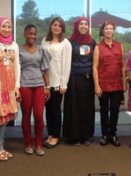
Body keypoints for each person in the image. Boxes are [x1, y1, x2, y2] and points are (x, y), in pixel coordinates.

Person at [0, 17, 21, 161]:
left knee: (6, 116)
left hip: (10, 84)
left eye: (9, 27)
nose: (7, 29)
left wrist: (17, 86)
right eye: (4, 27)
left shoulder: (14, 44)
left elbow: (17, 66)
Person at [63, 17, 96, 146]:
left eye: (85, 24)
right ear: (76, 26)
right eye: (81, 24)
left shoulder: (92, 43)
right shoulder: (70, 42)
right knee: (73, 107)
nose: (83, 26)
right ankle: (74, 136)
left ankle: (86, 135)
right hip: (73, 78)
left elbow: (95, 62)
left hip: (88, 79)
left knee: (87, 107)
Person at [92, 21, 127, 146]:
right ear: (102, 31)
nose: (108, 31)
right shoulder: (98, 47)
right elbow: (94, 67)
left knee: (115, 110)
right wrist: (96, 85)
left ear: (114, 31)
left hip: (117, 83)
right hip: (103, 84)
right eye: (106, 28)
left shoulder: (120, 46)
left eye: (111, 29)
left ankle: (113, 134)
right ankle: (104, 135)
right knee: (104, 110)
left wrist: (125, 82)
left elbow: (123, 66)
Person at [19, 24, 52, 155]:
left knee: (39, 115)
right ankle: (28, 143)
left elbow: (45, 70)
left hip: (39, 85)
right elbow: (17, 70)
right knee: (26, 116)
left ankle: (38, 144)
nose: (32, 36)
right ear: (24, 34)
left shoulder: (41, 50)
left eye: (34, 34)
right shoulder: (19, 50)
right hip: (24, 85)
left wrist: (47, 86)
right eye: (30, 33)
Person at [41, 17, 72, 148]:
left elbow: (66, 64)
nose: (57, 27)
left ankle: (55, 136)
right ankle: (50, 134)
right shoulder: (44, 40)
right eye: (55, 25)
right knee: (48, 110)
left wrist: (64, 84)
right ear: (51, 26)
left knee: (55, 110)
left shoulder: (65, 43)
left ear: (62, 28)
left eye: (59, 25)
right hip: (45, 82)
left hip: (57, 83)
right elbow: (42, 61)